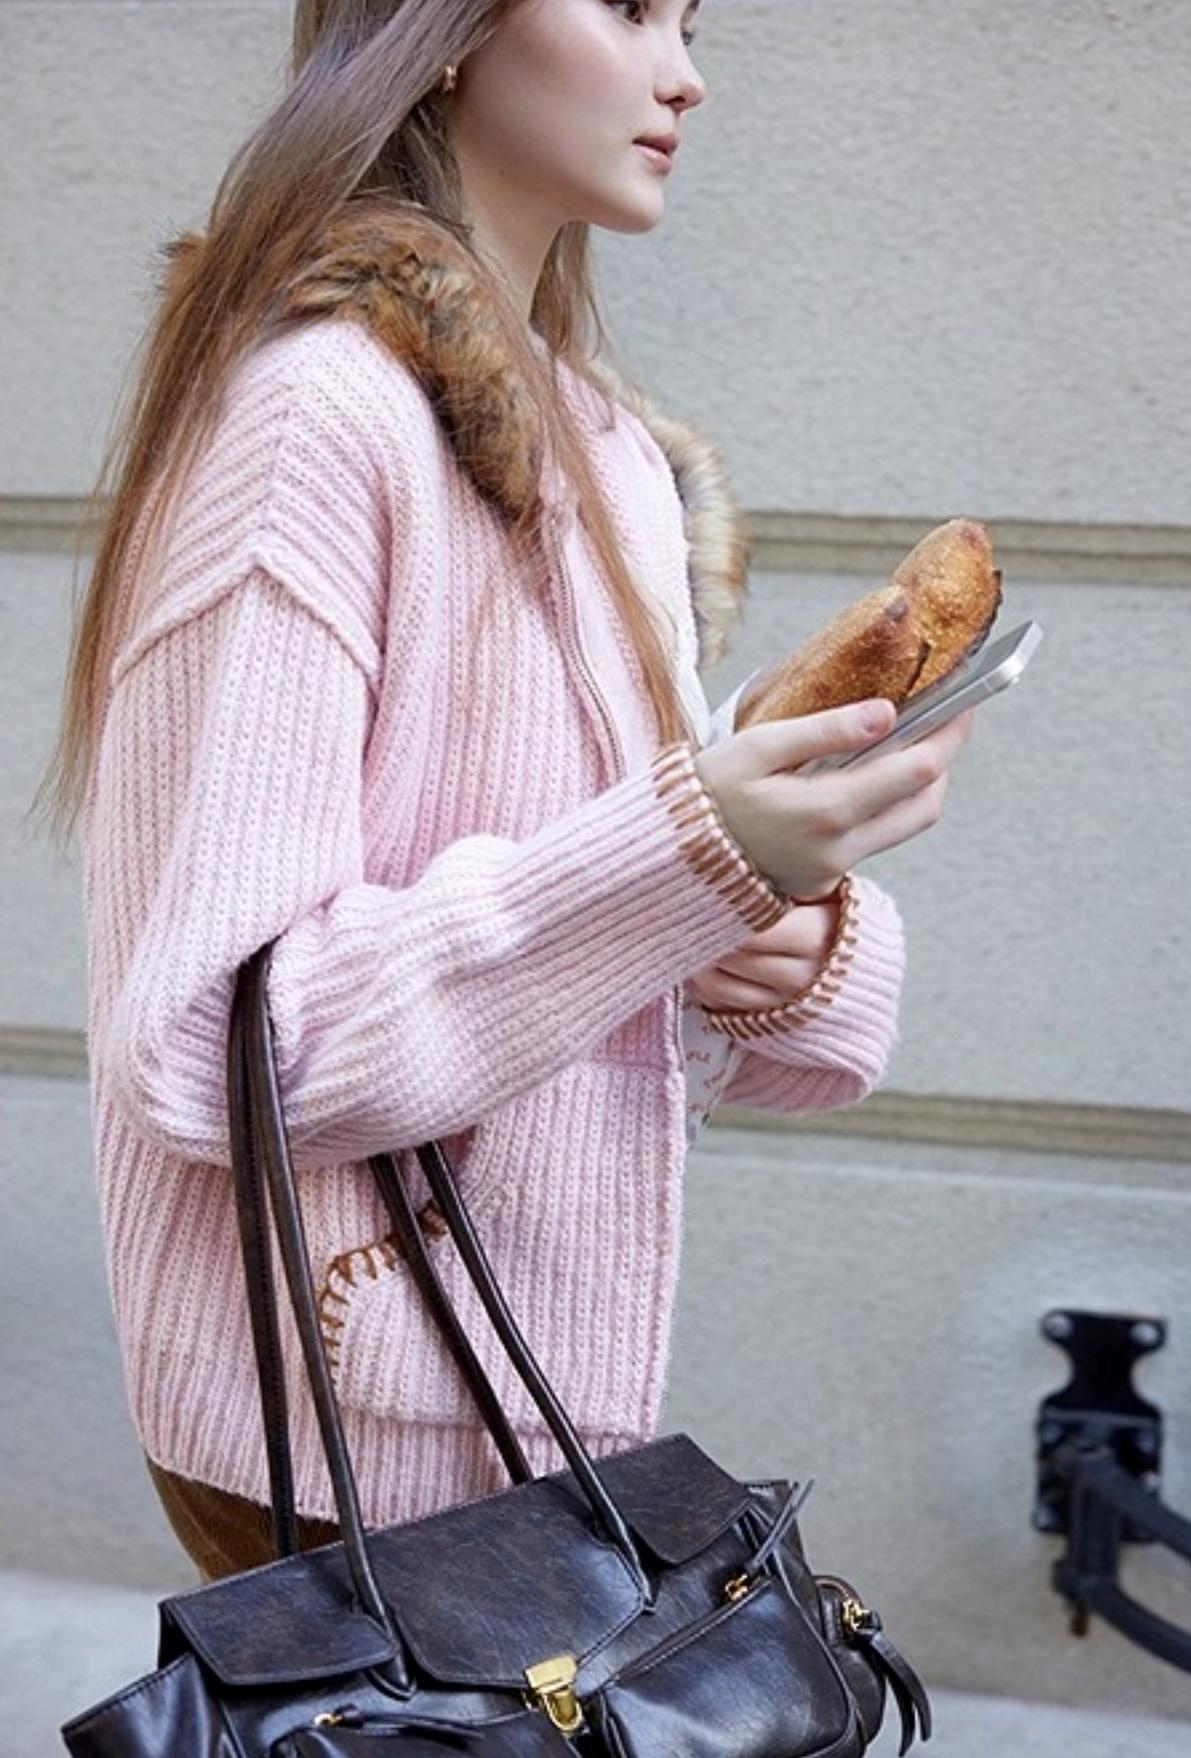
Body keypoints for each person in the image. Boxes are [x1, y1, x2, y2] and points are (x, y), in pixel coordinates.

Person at [35, 0, 973, 1584]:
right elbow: (215, 1041)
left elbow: (600, 946)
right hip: (341, 1427)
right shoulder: (316, 414)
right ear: (453, 27)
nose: (686, 74)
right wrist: (685, 860)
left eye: (695, 21)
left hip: (528, 1405)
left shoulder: (608, 453)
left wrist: (782, 927)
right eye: (628, 9)